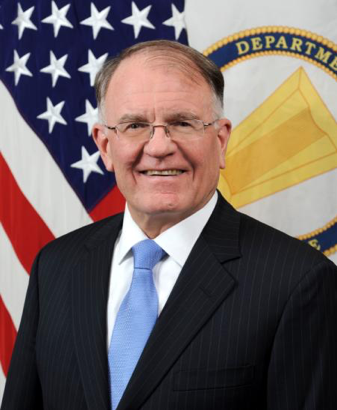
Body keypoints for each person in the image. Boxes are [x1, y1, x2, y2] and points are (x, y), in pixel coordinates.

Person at [2, 40, 337, 410]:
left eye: (182, 122)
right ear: (105, 145)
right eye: (134, 125)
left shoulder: (298, 281)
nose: (159, 146)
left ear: (221, 140)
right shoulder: (56, 266)